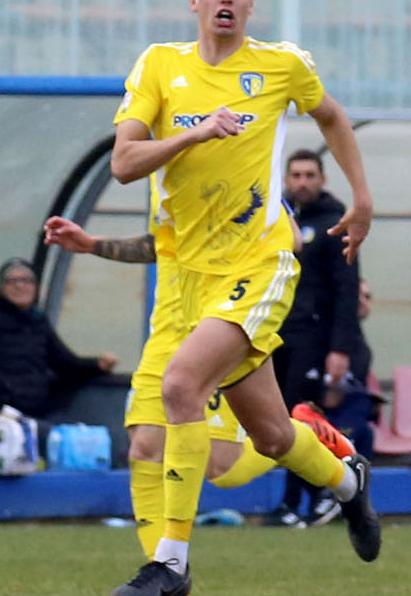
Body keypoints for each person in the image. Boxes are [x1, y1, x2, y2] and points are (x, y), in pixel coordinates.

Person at [103, 0, 380, 596]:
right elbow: (123, 162)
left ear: (251, 3)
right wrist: (192, 135)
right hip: (187, 278)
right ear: (193, 0)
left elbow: (330, 115)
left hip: (257, 263)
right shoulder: (159, 66)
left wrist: (362, 197)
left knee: (180, 386)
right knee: (271, 436)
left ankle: (169, 567)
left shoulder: (280, 65)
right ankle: (348, 483)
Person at [40, 212, 351, 546]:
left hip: (214, 330)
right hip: (165, 336)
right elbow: (162, 243)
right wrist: (92, 244)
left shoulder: (240, 180)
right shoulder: (163, 185)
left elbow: (293, 237)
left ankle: (305, 433)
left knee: (223, 468)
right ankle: (164, 570)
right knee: (144, 449)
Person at [271, 148, 363, 522]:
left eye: (310, 175)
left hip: (314, 339)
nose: (302, 183)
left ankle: (305, 499)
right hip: (276, 335)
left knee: (299, 417)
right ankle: (311, 497)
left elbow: (347, 288)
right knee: (279, 418)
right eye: (296, 176)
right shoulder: (276, 219)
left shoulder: (335, 224)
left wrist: (340, 348)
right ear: (286, 180)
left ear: (322, 179)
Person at [0, 259, 116, 418]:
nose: (20, 286)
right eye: (12, 281)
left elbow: (63, 363)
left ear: (36, 287)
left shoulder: (37, 320)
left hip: (35, 408)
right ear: (1, 287)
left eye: (26, 280)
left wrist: (97, 365)